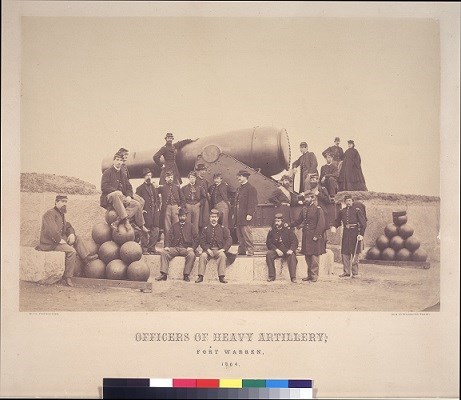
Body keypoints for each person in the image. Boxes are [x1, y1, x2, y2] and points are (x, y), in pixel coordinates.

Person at [36, 195, 98, 287]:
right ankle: (67, 277)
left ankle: (85, 258)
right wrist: (59, 240)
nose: (64, 204)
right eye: (62, 201)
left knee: (77, 238)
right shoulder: (49, 214)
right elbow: (51, 230)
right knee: (72, 251)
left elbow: (68, 226)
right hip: (50, 243)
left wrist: (71, 234)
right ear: (56, 202)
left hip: (59, 241)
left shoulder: (61, 215)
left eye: (66, 202)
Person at [100, 152, 148, 233]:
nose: (119, 162)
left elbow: (129, 187)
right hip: (109, 198)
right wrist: (115, 190)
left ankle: (138, 224)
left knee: (136, 204)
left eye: (121, 161)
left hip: (120, 197)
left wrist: (129, 196)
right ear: (114, 161)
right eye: (117, 160)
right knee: (117, 194)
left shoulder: (123, 174)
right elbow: (104, 187)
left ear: (122, 162)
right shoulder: (107, 172)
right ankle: (125, 221)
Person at [290, 190, 326, 282]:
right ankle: (309, 275)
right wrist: (289, 225)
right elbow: (299, 221)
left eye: (308, 198)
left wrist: (317, 235)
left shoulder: (318, 209)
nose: (306, 200)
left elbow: (321, 224)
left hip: (314, 236)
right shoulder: (304, 209)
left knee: (314, 257)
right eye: (305, 198)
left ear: (312, 199)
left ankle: (314, 276)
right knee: (307, 256)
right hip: (306, 236)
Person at [156, 208, 199, 282]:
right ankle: (164, 274)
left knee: (191, 255)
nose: (182, 218)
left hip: (186, 248)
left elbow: (197, 239)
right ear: (178, 216)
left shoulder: (191, 226)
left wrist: (192, 248)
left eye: (184, 216)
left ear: (186, 217)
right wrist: (167, 246)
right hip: (175, 248)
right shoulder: (174, 226)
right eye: (181, 216)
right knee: (164, 253)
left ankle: (186, 275)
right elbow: (168, 237)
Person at [332, 194, 367, 277]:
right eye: (347, 201)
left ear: (352, 201)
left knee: (355, 252)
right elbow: (337, 221)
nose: (348, 202)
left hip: (355, 233)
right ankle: (346, 272)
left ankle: (355, 272)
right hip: (346, 233)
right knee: (345, 252)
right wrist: (334, 226)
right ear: (344, 202)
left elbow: (363, 224)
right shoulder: (342, 211)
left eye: (350, 201)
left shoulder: (357, 210)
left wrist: (361, 234)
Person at [196, 209, 233, 283]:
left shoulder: (223, 228)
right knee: (203, 256)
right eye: (212, 217)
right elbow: (202, 241)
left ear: (217, 218)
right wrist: (207, 249)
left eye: (215, 217)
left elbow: (229, 239)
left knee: (222, 256)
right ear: (209, 218)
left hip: (219, 250)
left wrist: (223, 249)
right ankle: (200, 276)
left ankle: (221, 277)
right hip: (208, 250)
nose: (213, 219)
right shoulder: (205, 229)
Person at [265, 213, 298, 283]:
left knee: (292, 256)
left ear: (282, 222)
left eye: (278, 221)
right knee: (269, 254)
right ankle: (271, 276)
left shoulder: (288, 230)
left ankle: (293, 277)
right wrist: (276, 250)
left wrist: (291, 250)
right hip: (277, 250)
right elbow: (269, 243)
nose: (276, 223)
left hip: (287, 250)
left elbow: (295, 242)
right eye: (276, 221)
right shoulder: (272, 231)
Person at [135, 168, 161, 255]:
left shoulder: (153, 187)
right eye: (147, 176)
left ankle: (152, 248)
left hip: (154, 212)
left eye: (150, 175)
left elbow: (157, 198)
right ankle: (144, 249)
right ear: (143, 177)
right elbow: (136, 201)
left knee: (156, 230)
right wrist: (141, 210)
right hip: (146, 213)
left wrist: (157, 208)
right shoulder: (140, 188)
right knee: (145, 231)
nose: (148, 177)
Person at [234, 170, 258, 256]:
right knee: (239, 234)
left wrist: (250, 213)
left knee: (247, 233)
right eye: (238, 176)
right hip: (238, 215)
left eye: (240, 176)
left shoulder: (251, 188)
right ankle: (242, 251)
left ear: (245, 177)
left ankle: (250, 251)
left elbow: (253, 202)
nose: (238, 178)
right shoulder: (239, 188)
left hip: (245, 215)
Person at [194, 163, 210, 231]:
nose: (203, 172)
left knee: (205, 219)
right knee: (198, 220)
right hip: (198, 202)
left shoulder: (205, 181)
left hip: (205, 202)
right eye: (201, 170)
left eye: (204, 170)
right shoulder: (196, 180)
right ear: (198, 171)